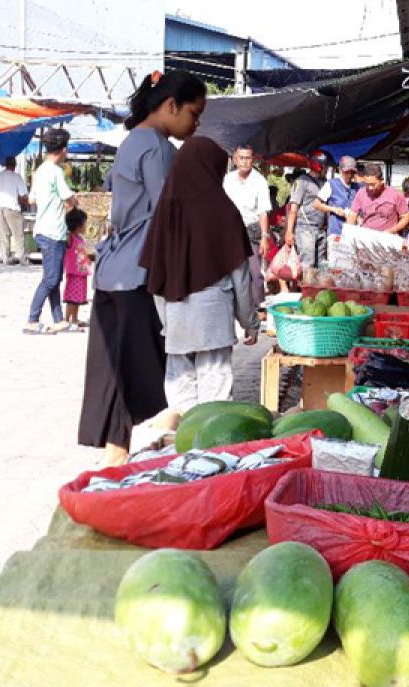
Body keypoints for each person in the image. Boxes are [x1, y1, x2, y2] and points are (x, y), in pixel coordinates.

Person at [79, 69, 207, 467]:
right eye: (193, 113)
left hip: (113, 272)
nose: (196, 123)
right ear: (170, 106)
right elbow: (171, 216)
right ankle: (127, 455)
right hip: (138, 273)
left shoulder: (132, 140)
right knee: (149, 368)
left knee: (116, 370)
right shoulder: (158, 147)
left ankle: (114, 457)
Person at [143, 136, 259, 413]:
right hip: (213, 317)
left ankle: (181, 444)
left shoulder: (165, 209)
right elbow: (241, 277)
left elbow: (155, 272)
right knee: (215, 392)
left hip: (175, 312)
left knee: (179, 387)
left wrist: (166, 321)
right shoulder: (224, 211)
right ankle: (208, 448)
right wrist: (249, 322)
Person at [25, 128, 76, 335]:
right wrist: (74, 199)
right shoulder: (56, 172)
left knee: (53, 277)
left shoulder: (40, 171)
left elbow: (31, 199)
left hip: (43, 229)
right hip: (54, 231)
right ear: (63, 150)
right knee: (51, 279)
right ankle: (32, 319)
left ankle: (58, 319)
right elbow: (68, 198)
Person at [222, 144, 272, 307]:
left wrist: (265, 237)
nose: (244, 161)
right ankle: (233, 309)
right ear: (235, 159)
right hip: (229, 232)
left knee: (255, 275)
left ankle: (258, 309)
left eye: (248, 158)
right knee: (230, 273)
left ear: (253, 159)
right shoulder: (227, 179)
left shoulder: (259, 181)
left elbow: (263, 211)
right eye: (241, 158)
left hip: (251, 231)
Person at [285, 150, 331, 270]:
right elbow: (293, 208)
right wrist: (289, 231)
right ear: (317, 166)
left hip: (321, 230)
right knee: (307, 265)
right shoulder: (302, 181)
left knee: (321, 266)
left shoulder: (325, 183)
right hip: (305, 229)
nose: (327, 170)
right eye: (325, 167)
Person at [348, 163, 409, 234]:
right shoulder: (361, 193)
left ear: (381, 181)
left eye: (373, 184)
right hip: (366, 235)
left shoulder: (395, 195)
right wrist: (349, 232)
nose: (370, 188)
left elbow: (407, 217)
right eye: (367, 184)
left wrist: (392, 230)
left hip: (387, 238)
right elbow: (352, 214)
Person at [0, 156, 29, 265]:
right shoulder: (16, 177)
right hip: (12, 208)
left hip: (0, 209)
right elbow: (23, 195)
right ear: (14, 165)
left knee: (4, 235)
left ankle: (5, 258)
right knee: (18, 235)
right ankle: (22, 259)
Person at [316, 155, 360, 237]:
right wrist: (334, 209)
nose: (349, 175)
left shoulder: (357, 187)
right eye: (346, 172)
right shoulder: (332, 184)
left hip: (353, 231)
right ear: (340, 170)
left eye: (352, 172)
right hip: (336, 231)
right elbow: (317, 204)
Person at [62, 208, 91, 329]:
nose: (86, 226)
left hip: (81, 272)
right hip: (74, 273)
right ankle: (66, 319)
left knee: (78, 297)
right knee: (71, 298)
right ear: (78, 226)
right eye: (84, 223)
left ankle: (74, 319)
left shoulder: (79, 238)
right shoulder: (71, 237)